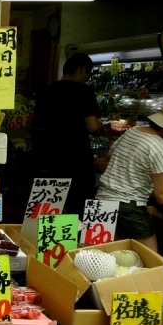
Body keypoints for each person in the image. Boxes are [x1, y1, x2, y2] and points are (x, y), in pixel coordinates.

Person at [95, 97, 163, 251]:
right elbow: (162, 194)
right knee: (149, 260)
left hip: (101, 200)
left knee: (101, 257)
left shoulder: (133, 131)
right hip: (129, 208)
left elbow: (110, 158)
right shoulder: (160, 149)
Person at [31, 52, 104, 215]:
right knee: (77, 207)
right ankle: (73, 239)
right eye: (88, 74)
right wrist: (102, 127)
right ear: (82, 70)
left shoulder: (46, 91)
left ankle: (49, 238)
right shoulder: (84, 91)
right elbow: (92, 126)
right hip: (76, 160)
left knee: (49, 206)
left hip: (47, 158)